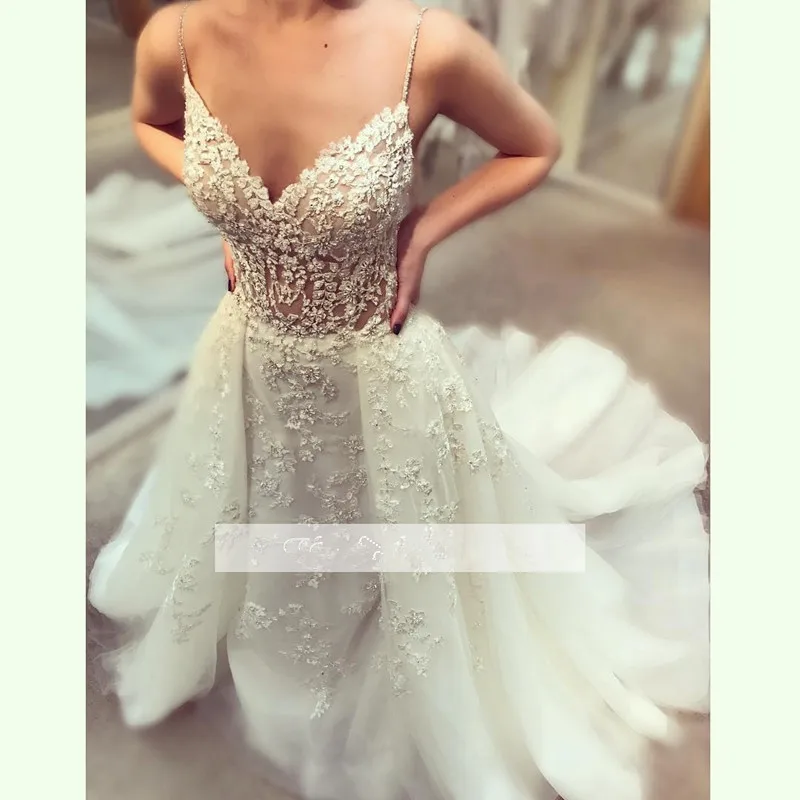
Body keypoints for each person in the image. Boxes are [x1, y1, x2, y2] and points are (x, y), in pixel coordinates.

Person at [89, 2, 710, 799]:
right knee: (264, 498)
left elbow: (534, 145)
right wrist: (235, 211)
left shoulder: (428, 44)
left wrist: (423, 230)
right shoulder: (177, 33)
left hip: (372, 359)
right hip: (244, 349)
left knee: (402, 540)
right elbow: (152, 123)